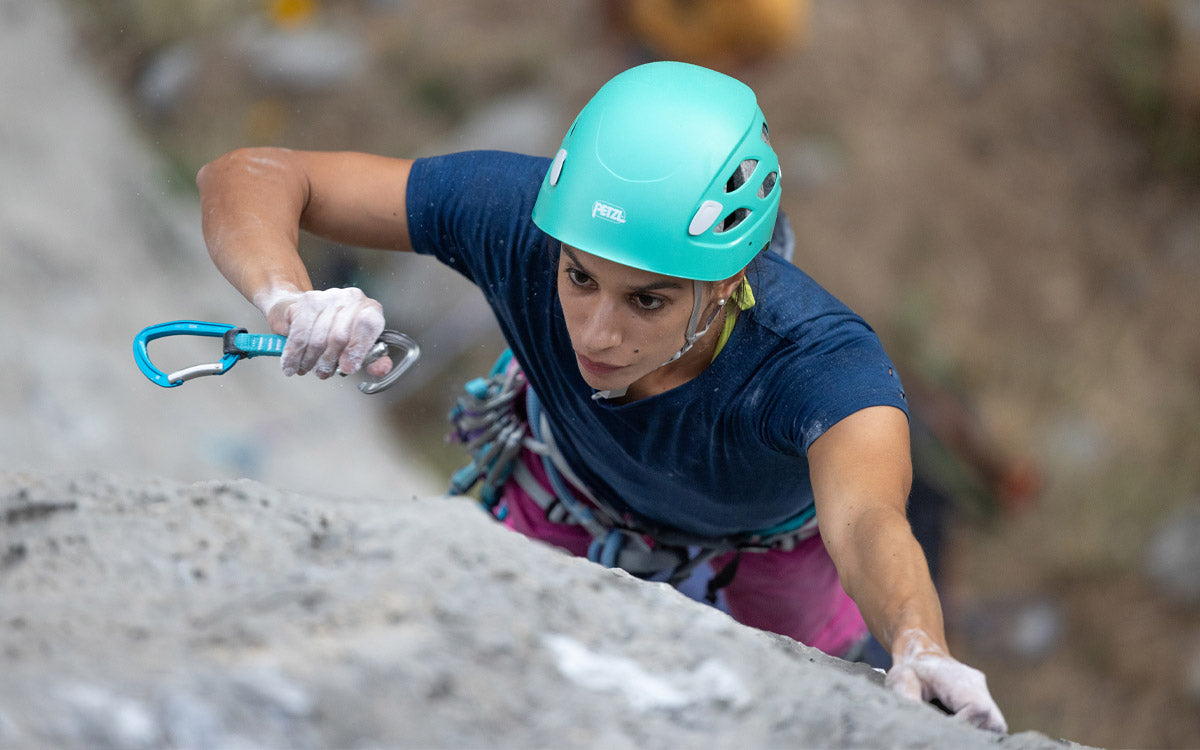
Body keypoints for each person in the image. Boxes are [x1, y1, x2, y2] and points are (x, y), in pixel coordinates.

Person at [196, 61, 1007, 732]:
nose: (595, 332)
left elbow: (867, 519)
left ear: (726, 283)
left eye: (646, 301)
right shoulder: (522, 219)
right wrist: (289, 300)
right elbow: (253, 175)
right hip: (570, 493)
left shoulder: (817, 362)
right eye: (578, 279)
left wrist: (917, 638)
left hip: (765, 554)